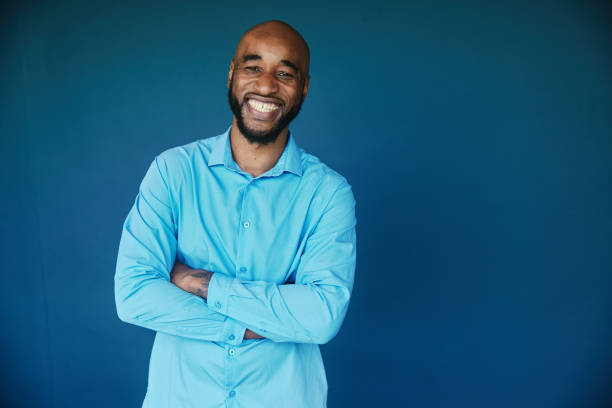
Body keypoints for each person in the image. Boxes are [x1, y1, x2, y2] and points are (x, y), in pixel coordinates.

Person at [115, 20, 356, 408]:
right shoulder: (173, 171)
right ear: (231, 74)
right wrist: (256, 324)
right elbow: (133, 295)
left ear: (304, 88)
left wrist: (203, 282)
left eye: (284, 73)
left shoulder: (327, 194)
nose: (265, 86)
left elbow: (321, 317)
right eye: (253, 67)